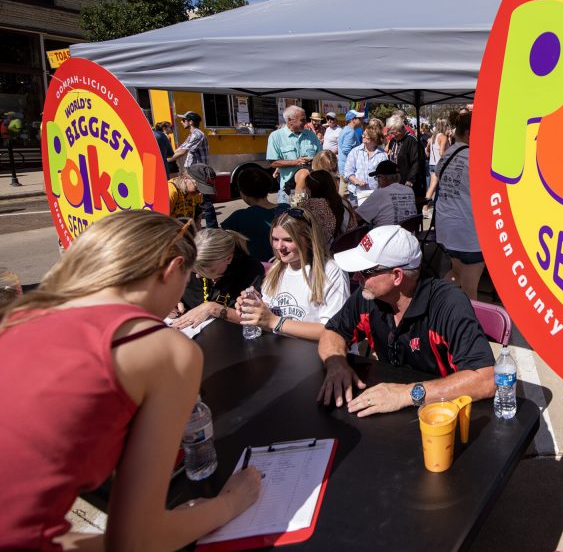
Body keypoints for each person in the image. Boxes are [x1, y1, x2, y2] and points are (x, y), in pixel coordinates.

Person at [0, 211, 260, 550]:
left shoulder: (20, 316)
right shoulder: (166, 350)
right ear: (171, 270)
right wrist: (231, 503)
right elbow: (137, 541)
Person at [317, 225, 495, 415]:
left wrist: (404, 394)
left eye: (366, 271)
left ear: (397, 276)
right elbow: (333, 331)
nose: (356, 277)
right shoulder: (368, 296)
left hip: (441, 415)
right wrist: (336, 363)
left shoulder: (448, 303)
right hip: (388, 411)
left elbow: (485, 379)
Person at [238, 208, 349, 341]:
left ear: (308, 239)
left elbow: (333, 331)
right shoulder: (276, 269)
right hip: (283, 348)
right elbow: (271, 313)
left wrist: (274, 321)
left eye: (288, 240)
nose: (279, 246)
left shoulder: (330, 271)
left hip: (321, 353)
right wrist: (257, 308)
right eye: (275, 239)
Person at [426, 112, 483, 299]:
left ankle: (438, 305)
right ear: (470, 133)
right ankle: (465, 324)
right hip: (469, 231)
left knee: (455, 274)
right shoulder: (477, 157)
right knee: (470, 288)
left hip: (447, 229)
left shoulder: (447, 154)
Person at [170, 229, 265, 328]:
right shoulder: (188, 264)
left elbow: (256, 319)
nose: (198, 275)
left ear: (228, 259)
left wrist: (214, 309)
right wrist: (172, 301)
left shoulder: (249, 269)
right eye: (194, 270)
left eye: (208, 270)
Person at [221, 167, 290, 263]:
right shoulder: (286, 208)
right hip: (286, 263)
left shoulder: (238, 217)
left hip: (258, 270)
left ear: (243, 193)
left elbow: (219, 239)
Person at [168, 112, 218, 227]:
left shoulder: (197, 134)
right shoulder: (192, 135)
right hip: (192, 174)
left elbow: (182, 151)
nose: (181, 122)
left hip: (198, 174)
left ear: (190, 122)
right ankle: (200, 227)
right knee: (196, 202)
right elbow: (179, 149)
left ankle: (212, 229)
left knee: (205, 202)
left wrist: (165, 160)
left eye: (184, 120)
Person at [266, 105, 321, 204]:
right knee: (290, 216)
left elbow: (320, 156)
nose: (305, 122)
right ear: (290, 120)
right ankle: (296, 206)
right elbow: (273, 162)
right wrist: (295, 162)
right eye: (302, 120)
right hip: (288, 191)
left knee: (305, 217)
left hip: (311, 190)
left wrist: (313, 162)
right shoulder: (276, 136)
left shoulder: (311, 135)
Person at [298, 169, 358, 244]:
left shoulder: (310, 204)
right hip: (347, 245)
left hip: (325, 251)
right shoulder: (345, 202)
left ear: (311, 188)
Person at [357, 160, 417, 228]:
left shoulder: (380, 193)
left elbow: (358, 217)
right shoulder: (409, 190)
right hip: (408, 235)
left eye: (377, 178)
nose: (377, 181)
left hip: (386, 236)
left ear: (383, 178)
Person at [343, 127, 388, 206]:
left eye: (366, 135)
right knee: (357, 216)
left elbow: (386, 175)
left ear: (374, 138)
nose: (363, 136)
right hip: (356, 193)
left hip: (375, 194)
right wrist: (356, 181)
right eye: (363, 134)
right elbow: (348, 171)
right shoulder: (355, 151)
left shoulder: (382, 155)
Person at [386, 113, 426, 201]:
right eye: (390, 132)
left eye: (394, 132)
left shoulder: (413, 141)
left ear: (402, 128)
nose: (392, 135)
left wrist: (410, 180)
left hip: (409, 184)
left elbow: (417, 162)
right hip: (395, 184)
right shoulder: (393, 141)